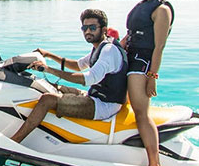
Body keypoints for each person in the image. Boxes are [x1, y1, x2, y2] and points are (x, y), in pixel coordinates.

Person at [10, 9, 128, 144]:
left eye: (92, 27)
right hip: (95, 96)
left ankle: (14, 141)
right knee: (48, 86)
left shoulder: (108, 51)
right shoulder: (99, 47)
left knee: (47, 99)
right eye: (84, 28)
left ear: (104, 29)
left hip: (104, 106)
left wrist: (49, 69)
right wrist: (49, 55)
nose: (88, 31)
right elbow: (78, 65)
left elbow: (87, 79)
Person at [123, 0, 173, 166]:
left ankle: (155, 163)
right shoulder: (142, 6)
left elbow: (159, 46)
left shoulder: (162, 10)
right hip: (129, 58)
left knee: (141, 112)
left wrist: (152, 75)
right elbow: (131, 34)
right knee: (124, 104)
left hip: (142, 64)